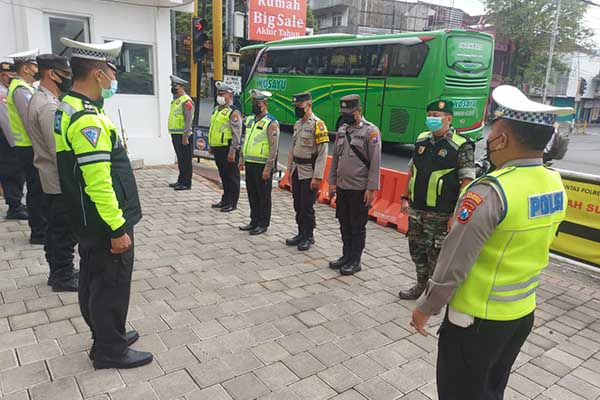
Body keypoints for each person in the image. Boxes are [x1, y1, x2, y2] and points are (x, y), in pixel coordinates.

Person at [410, 85, 570, 400]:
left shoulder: (491, 191)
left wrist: (426, 307)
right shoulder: (554, 183)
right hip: (521, 314)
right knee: (491, 389)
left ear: (504, 139)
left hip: (474, 321)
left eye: (493, 130)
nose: (488, 139)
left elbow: (454, 262)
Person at [55, 37, 151, 369]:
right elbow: (99, 184)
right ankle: (110, 350)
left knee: (94, 279)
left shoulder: (70, 106)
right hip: (103, 220)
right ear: (98, 74)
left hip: (85, 218)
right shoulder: (87, 120)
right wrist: (118, 227)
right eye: (111, 72)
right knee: (111, 284)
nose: (114, 79)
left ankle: (108, 335)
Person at [398, 100, 475, 300]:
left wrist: (455, 215)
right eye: (430, 114)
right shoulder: (422, 140)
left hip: (441, 213)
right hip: (417, 209)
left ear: (449, 119)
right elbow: (412, 170)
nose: (432, 119)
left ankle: (433, 294)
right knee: (417, 250)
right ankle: (420, 285)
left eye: (437, 116)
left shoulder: (461, 145)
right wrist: (405, 198)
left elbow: (467, 183)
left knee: (437, 255)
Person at [26, 54, 78, 292]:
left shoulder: (41, 98)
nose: (68, 78)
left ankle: (58, 271)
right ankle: (62, 275)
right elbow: (58, 150)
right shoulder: (47, 106)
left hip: (48, 176)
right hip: (57, 179)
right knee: (62, 230)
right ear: (51, 74)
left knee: (55, 228)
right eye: (65, 74)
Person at [328, 95, 381, 276]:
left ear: (358, 111)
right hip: (343, 186)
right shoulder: (342, 130)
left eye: (349, 113)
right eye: (343, 113)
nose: (346, 116)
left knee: (357, 225)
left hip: (359, 189)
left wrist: (371, 189)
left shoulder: (370, 131)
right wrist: (332, 182)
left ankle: (355, 260)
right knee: (344, 222)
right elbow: (336, 158)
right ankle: (346, 255)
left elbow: (375, 162)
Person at [6, 49, 47, 243]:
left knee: (37, 187)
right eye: (35, 65)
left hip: (29, 145)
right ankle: (39, 231)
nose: (37, 69)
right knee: (36, 188)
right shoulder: (21, 89)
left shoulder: (26, 87)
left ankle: (40, 227)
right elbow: (30, 120)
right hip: (27, 146)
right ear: (25, 68)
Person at [285, 92, 329, 251]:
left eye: (300, 106)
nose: (297, 109)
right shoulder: (297, 124)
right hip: (297, 170)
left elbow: (323, 153)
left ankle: (309, 236)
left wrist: (317, 177)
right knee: (297, 204)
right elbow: (292, 148)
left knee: (306, 206)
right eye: (295, 107)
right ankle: (300, 232)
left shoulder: (318, 124)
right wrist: (288, 170)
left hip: (309, 172)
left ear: (309, 105)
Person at [238, 89, 279, 235]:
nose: (255, 105)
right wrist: (242, 158)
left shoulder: (271, 123)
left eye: (258, 103)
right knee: (252, 193)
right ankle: (253, 220)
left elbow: (273, 148)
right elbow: (245, 140)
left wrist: (268, 168)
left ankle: (263, 223)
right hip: (250, 162)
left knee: (263, 196)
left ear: (265, 104)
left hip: (262, 165)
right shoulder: (249, 120)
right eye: (254, 102)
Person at [208, 81, 242, 212]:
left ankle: (232, 202)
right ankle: (225, 199)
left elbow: (237, 134)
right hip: (218, 147)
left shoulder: (233, 112)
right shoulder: (217, 110)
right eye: (219, 94)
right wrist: (211, 145)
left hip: (228, 148)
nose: (220, 96)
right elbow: (213, 129)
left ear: (230, 95)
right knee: (223, 175)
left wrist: (233, 151)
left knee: (232, 176)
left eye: (223, 94)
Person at [0, 61, 27, 220]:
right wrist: (16, 144)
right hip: (7, 141)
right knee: (11, 172)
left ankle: (16, 203)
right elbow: (6, 121)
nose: (8, 78)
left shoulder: (8, 90)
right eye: (5, 76)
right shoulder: (2, 93)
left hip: (8, 140)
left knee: (15, 172)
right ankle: (14, 207)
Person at [167, 75, 194, 191]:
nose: (174, 88)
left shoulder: (186, 101)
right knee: (180, 159)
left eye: (176, 86)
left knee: (186, 160)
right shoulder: (176, 101)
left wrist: (186, 135)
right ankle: (181, 179)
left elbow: (188, 120)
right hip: (176, 134)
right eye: (172, 86)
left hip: (183, 135)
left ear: (182, 87)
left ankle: (186, 183)